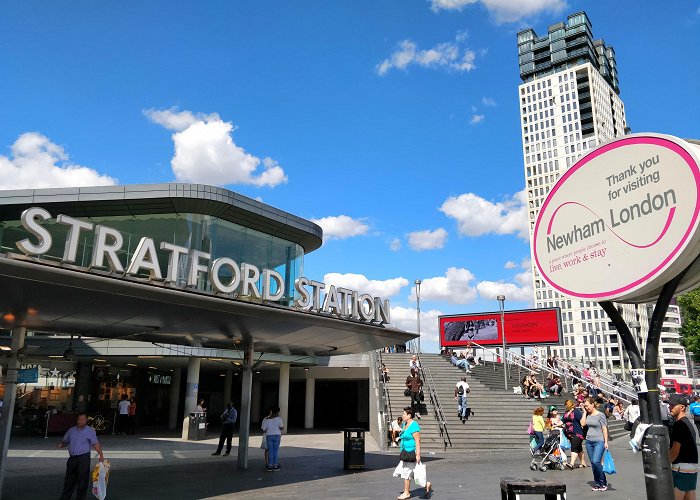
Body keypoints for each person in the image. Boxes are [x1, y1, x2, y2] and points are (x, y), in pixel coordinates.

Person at [57, 412, 105, 500]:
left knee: (82, 480)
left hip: (83, 458)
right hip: (72, 459)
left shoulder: (90, 431)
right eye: (79, 419)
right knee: (69, 480)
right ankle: (65, 497)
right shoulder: (71, 430)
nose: (80, 421)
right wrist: (61, 445)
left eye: (83, 420)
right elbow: (66, 441)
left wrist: (101, 455)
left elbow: (95, 443)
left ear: (86, 420)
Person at [395, 407, 432, 500]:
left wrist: (418, 454)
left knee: (406, 473)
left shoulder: (414, 425)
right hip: (405, 451)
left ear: (409, 415)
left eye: (404, 414)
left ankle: (406, 493)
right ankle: (426, 484)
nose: (402, 415)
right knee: (412, 472)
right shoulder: (404, 424)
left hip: (411, 452)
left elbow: (417, 440)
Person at [668, 393, 698, 499]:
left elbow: (675, 450)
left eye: (672, 405)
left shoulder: (679, 424)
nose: (669, 407)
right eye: (669, 404)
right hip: (692, 468)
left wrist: (666, 464)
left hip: (681, 468)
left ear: (682, 407)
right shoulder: (688, 424)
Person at [581, 397, 609, 491]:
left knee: (596, 461)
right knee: (593, 463)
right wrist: (584, 412)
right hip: (589, 441)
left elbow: (604, 428)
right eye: (585, 407)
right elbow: (583, 424)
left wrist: (606, 442)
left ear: (593, 404)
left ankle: (603, 482)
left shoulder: (600, 415)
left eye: (587, 406)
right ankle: (597, 483)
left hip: (599, 441)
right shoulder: (587, 415)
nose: (587, 408)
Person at [562, 399, 587, 469]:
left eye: (566, 405)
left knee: (574, 447)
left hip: (577, 433)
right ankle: (583, 463)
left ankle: (571, 464)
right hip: (570, 434)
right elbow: (562, 421)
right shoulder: (566, 412)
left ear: (569, 405)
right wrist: (555, 425)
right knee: (579, 448)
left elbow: (582, 422)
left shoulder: (576, 412)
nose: (565, 407)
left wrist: (584, 412)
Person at [261, 406, 284, 471]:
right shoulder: (279, 419)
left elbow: (264, 430)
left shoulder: (267, 420)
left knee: (270, 451)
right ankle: (275, 465)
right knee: (275, 451)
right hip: (277, 435)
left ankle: (269, 465)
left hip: (269, 436)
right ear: (277, 412)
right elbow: (282, 428)